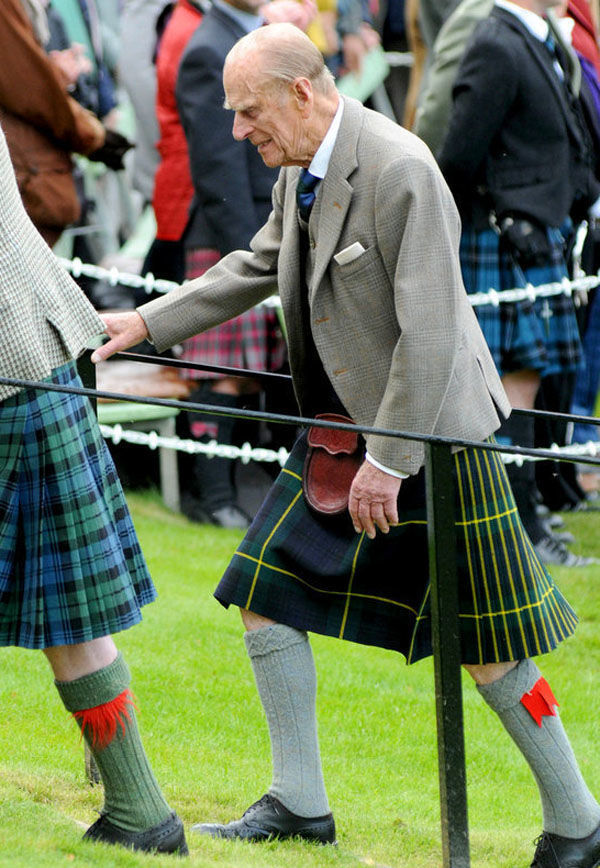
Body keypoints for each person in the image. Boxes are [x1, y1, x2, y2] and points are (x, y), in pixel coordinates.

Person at [92, 24, 600, 866]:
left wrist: (389, 462)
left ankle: (580, 825)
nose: (236, 130)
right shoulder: (299, 162)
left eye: (247, 110)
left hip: (429, 438)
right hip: (339, 433)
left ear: (302, 92)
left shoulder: (401, 168)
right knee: (263, 589)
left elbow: (433, 335)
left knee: (489, 650)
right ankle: (300, 803)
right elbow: (258, 261)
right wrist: (145, 321)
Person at [0, 123, 187, 856]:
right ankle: (139, 808)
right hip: (37, 347)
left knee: (70, 614)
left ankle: (143, 813)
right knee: (72, 614)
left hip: (15, 366)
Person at [437, 0, 600, 566]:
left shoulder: (535, 34)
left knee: (521, 390)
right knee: (510, 393)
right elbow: (457, 154)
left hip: (532, 235)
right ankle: (521, 535)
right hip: (502, 237)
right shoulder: (495, 42)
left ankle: (527, 524)